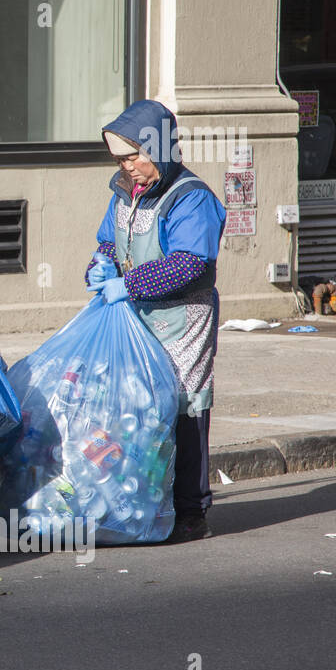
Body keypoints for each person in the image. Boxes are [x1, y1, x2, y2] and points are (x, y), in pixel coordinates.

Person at [85, 99, 227, 542]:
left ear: (159, 148)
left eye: (132, 156)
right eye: (119, 160)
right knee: (138, 406)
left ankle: (189, 511)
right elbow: (110, 240)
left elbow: (189, 262)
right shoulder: (124, 191)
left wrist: (129, 284)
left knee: (184, 407)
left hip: (183, 318)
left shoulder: (190, 198)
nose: (127, 168)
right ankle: (144, 501)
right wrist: (101, 263)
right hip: (138, 314)